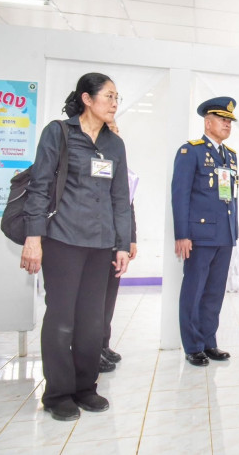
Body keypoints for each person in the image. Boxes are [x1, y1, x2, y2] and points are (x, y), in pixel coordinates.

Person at [20, 72, 131, 421]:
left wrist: (122, 244)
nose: (114, 103)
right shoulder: (59, 133)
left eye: (117, 98)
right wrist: (33, 238)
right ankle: (57, 393)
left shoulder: (115, 144)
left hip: (100, 245)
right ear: (87, 98)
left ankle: (86, 387)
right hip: (63, 240)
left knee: (92, 321)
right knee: (61, 318)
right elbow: (39, 187)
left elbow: (121, 198)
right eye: (109, 96)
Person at [172, 96, 239, 367]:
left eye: (230, 121)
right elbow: (180, 195)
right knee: (194, 290)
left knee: (214, 292)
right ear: (207, 122)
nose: (227, 124)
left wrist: (234, 231)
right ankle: (193, 346)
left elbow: (231, 197)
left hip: (224, 235)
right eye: (222, 120)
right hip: (199, 236)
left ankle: (209, 342)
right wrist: (182, 234)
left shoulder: (230, 155)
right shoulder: (191, 152)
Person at [99, 120, 138, 373]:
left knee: (108, 297)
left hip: (116, 242)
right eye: (109, 128)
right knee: (94, 299)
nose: (115, 132)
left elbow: (127, 205)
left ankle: (103, 344)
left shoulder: (120, 165)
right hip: (95, 240)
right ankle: (90, 348)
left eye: (116, 129)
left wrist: (131, 238)